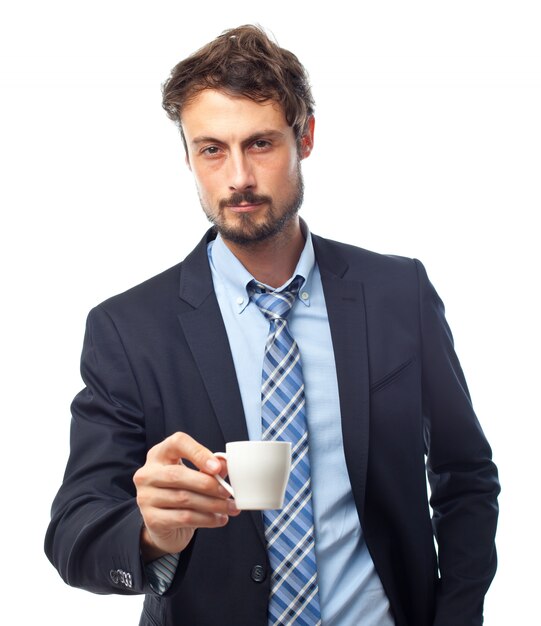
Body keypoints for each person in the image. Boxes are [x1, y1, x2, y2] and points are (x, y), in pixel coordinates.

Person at [45, 24, 500, 626]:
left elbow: (465, 474)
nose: (238, 178)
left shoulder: (399, 293)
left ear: (304, 136)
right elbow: (73, 532)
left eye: (260, 144)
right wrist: (152, 533)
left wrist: (458, 616)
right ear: (187, 155)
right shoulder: (129, 330)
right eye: (212, 149)